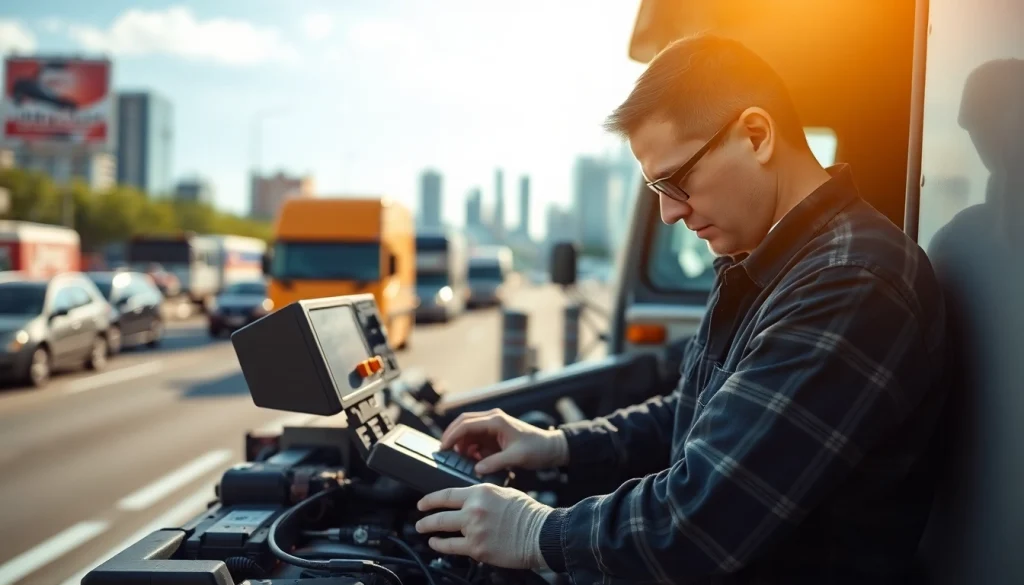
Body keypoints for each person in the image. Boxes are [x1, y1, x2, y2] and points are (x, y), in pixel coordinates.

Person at [415, 34, 948, 584]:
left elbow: (697, 522)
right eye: (656, 188)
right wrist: (557, 445)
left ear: (757, 135)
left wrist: (534, 533)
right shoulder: (773, 265)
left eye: (677, 180)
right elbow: (696, 413)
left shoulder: (850, 282)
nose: (670, 212)